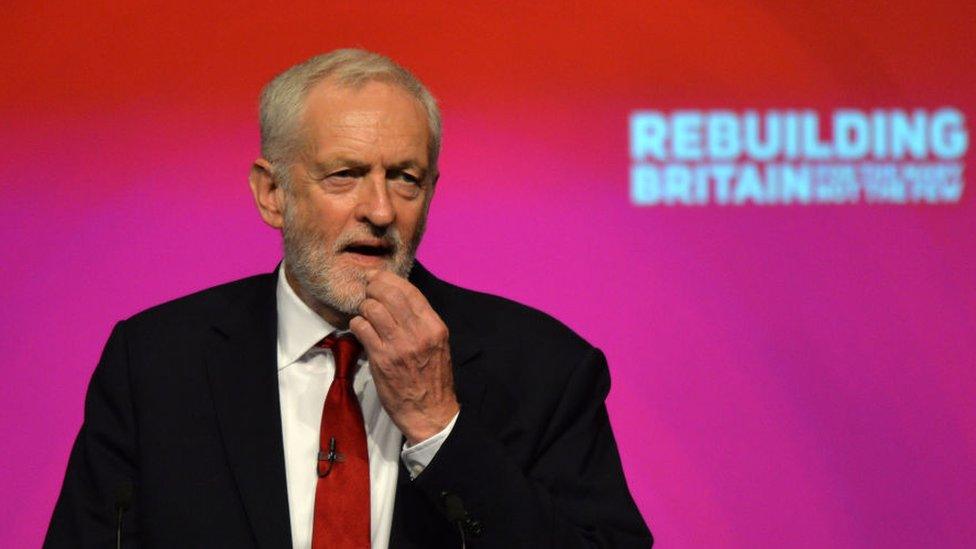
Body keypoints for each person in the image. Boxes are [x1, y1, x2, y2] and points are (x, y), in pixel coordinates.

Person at [45, 49, 652, 548]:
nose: (381, 211)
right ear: (272, 193)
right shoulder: (155, 363)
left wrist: (441, 429)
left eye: (405, 178)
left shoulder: (544, 369)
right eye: (345, 175)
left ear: (431, 193)